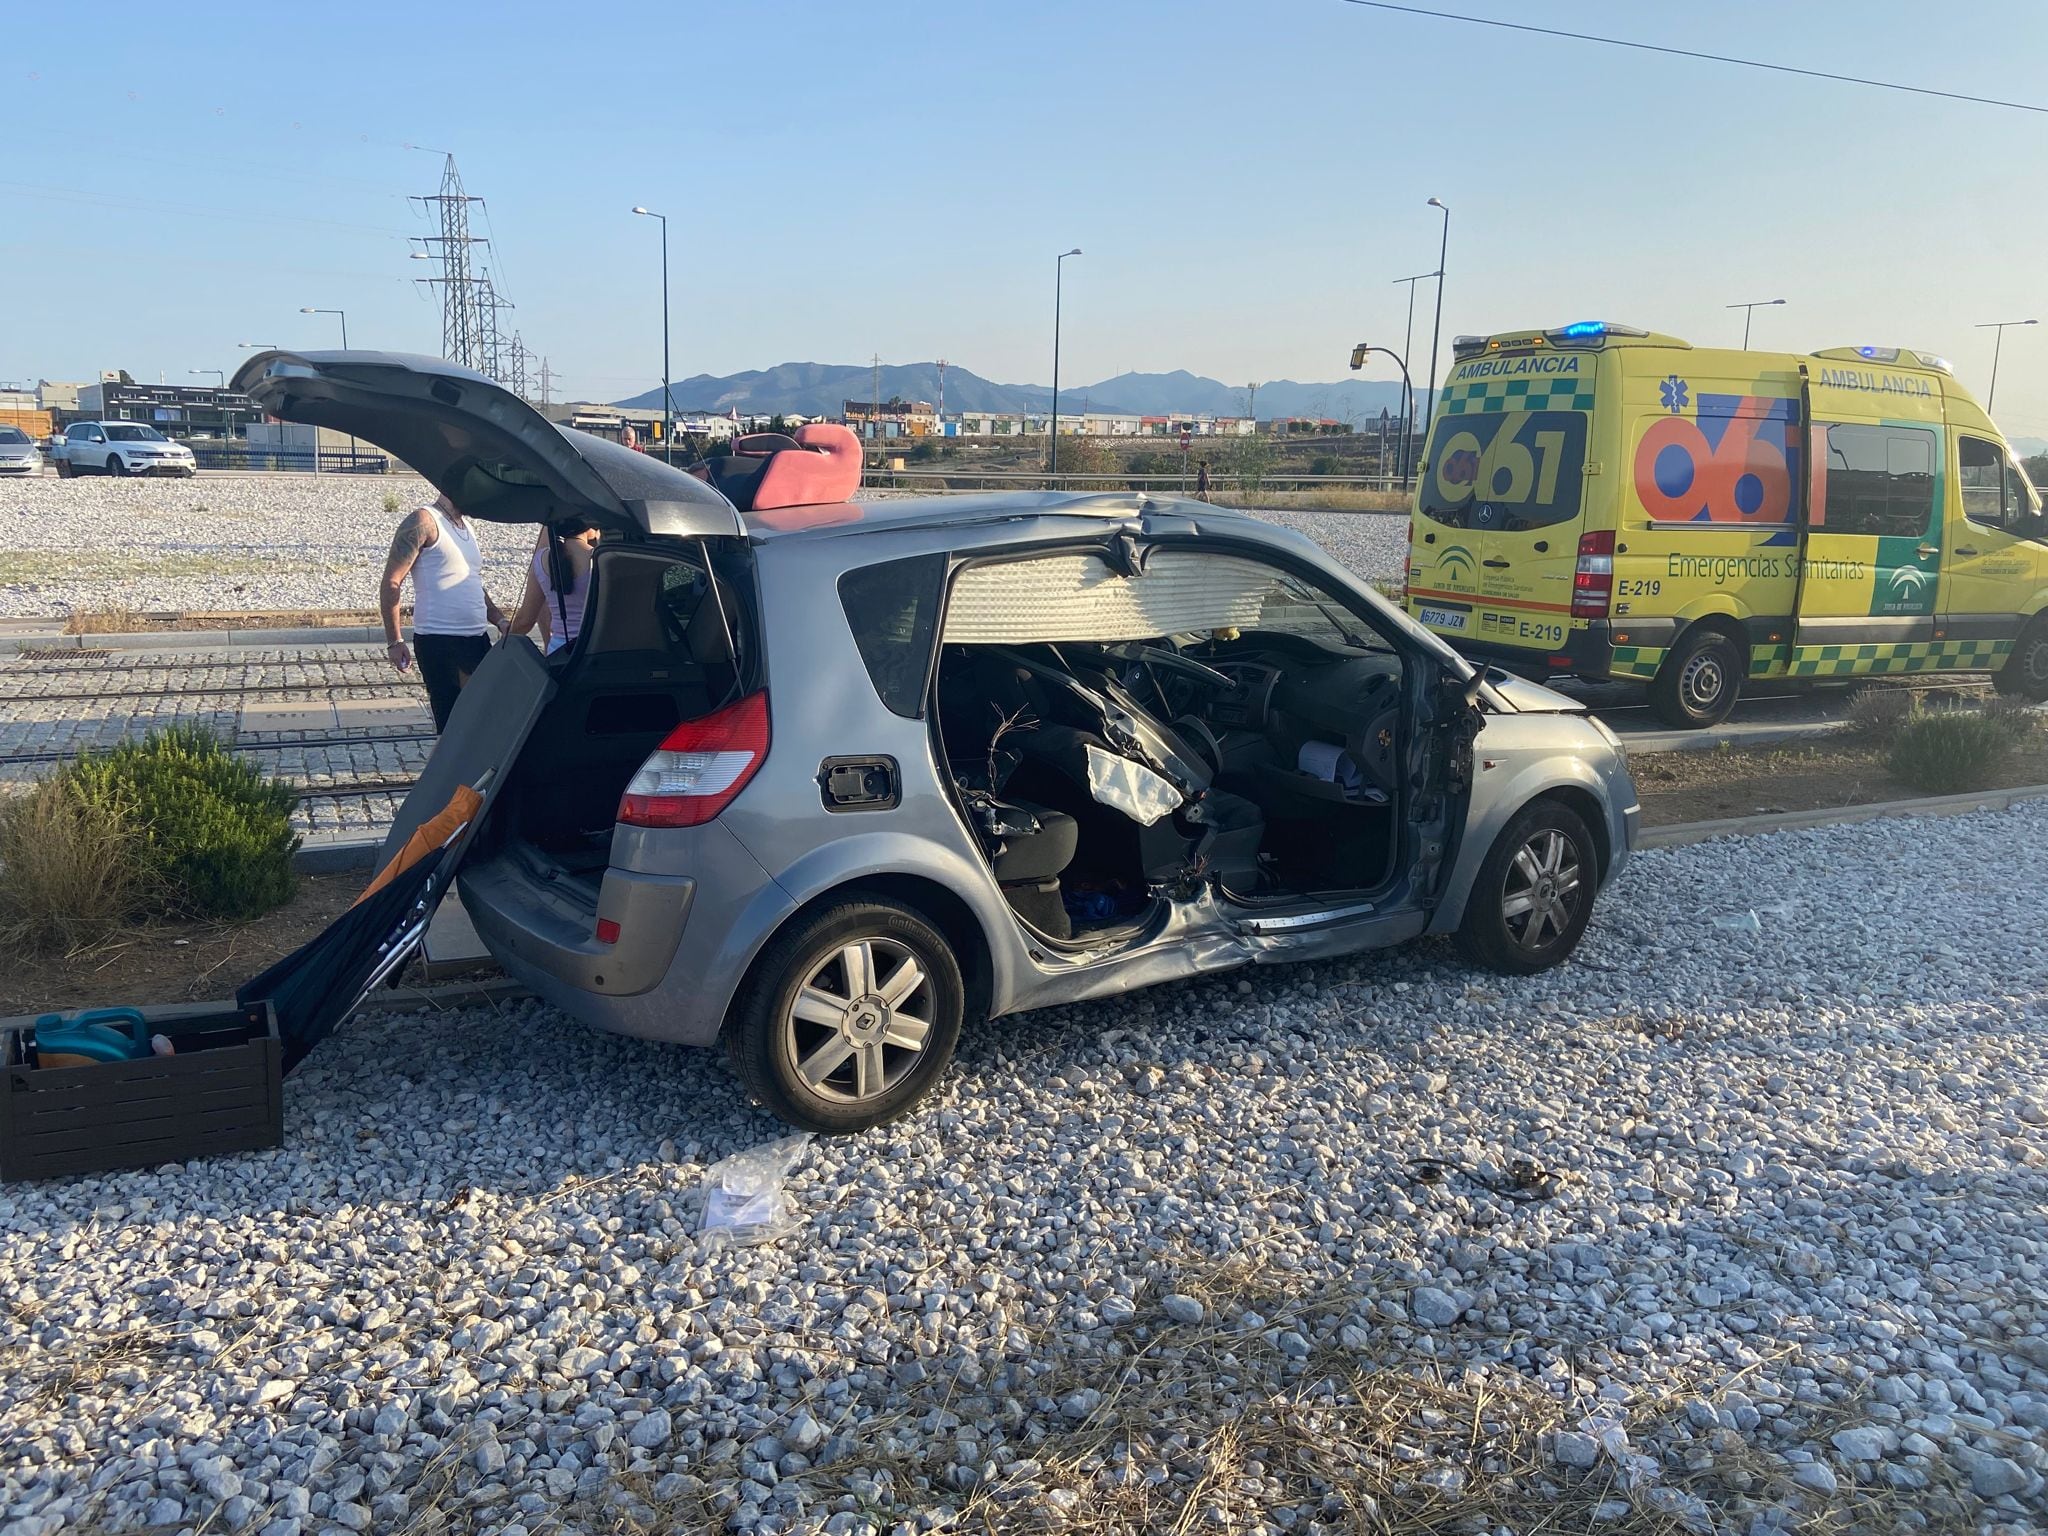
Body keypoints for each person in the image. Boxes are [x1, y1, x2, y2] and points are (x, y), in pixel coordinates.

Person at [379, 491, 506, 732]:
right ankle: (448, 769)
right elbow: (391, 582)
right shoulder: (423, 520)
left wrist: (500, 620)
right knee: (454, 727)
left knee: (483, 721)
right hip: (440, 639)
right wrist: (394, 640)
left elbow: (473, 582)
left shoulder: (466, 527)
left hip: (478, 638)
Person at [507, 519, 600, 656]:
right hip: (593, 650)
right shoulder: (599, 559)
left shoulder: (541, 559)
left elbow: (525, 620)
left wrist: (505, 640)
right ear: (589, 526)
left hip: (557, 650)